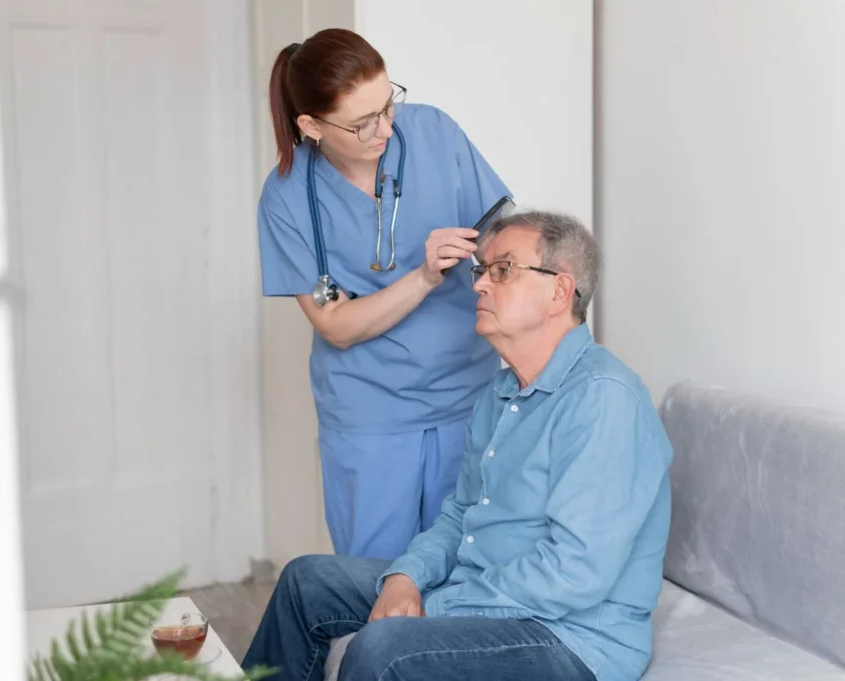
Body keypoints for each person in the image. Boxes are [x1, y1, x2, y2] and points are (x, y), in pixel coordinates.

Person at [242, 211, 674, 681]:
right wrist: (406, 577)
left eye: (503, 270)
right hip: (483, 591)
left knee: (383, 646)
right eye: (481, 270)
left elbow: (575, 573)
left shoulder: (603, 398)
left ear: (559, 291)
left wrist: (435, 605)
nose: (480, 285)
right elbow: (459, 518)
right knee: (306, 582)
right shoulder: (500, 394)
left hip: (570, 638)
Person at [258, 28, 512, 560]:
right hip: (370, 417)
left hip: (469, 398)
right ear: (311, 126)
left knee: (466, 571)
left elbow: (503, 239)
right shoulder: (287, 198)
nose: (386, 128)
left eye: (388, 104)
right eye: (362, 123)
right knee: (375, 582)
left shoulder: (435, 133)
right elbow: (334, 324)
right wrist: (423, 277)